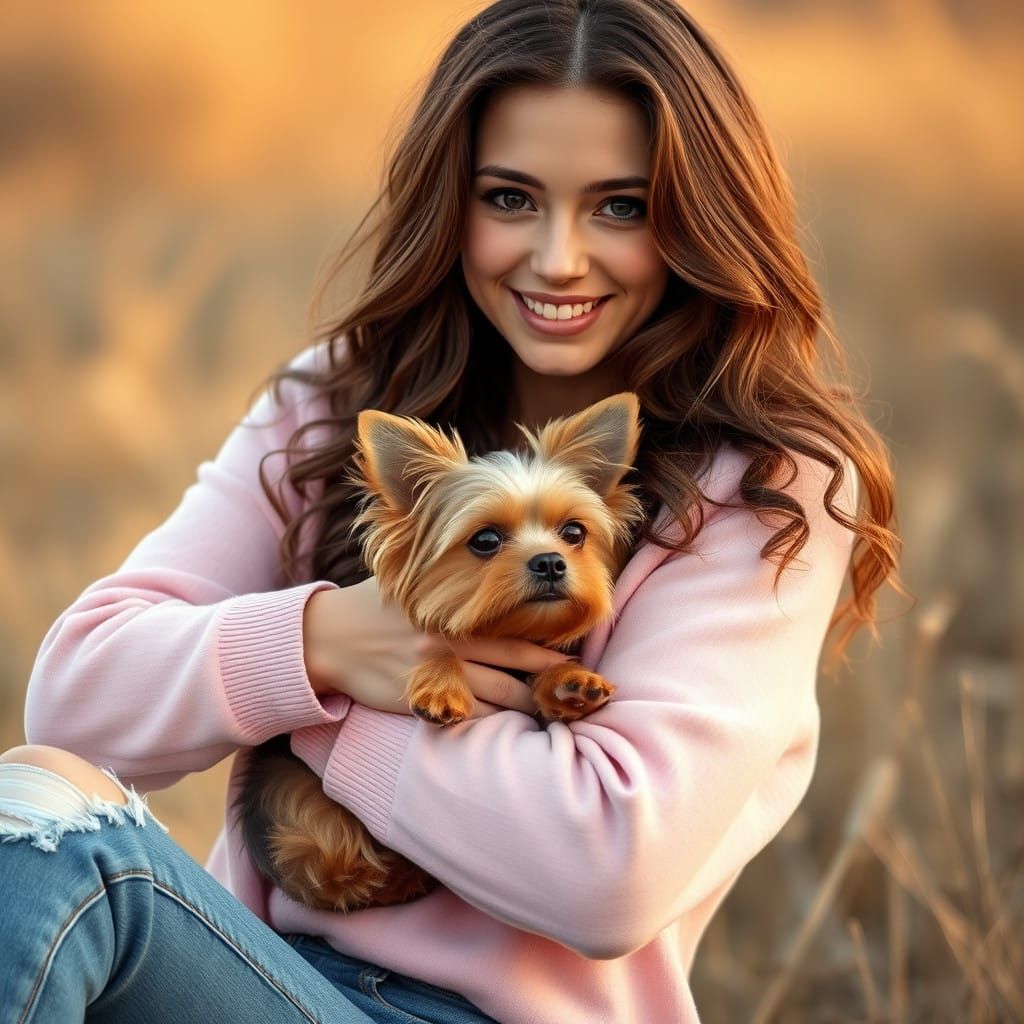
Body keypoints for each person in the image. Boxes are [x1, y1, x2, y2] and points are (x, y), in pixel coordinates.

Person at [0, 0, 900, 1021]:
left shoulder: (770, 489)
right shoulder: (335, 402)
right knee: (34, 820)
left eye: (619, 206)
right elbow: (74, 706)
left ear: (694, 219)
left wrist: (324, 716)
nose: (558, 258)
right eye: (511, 197)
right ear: (450, 202)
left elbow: (608, 869)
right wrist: (328, 639)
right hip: (259, 976)